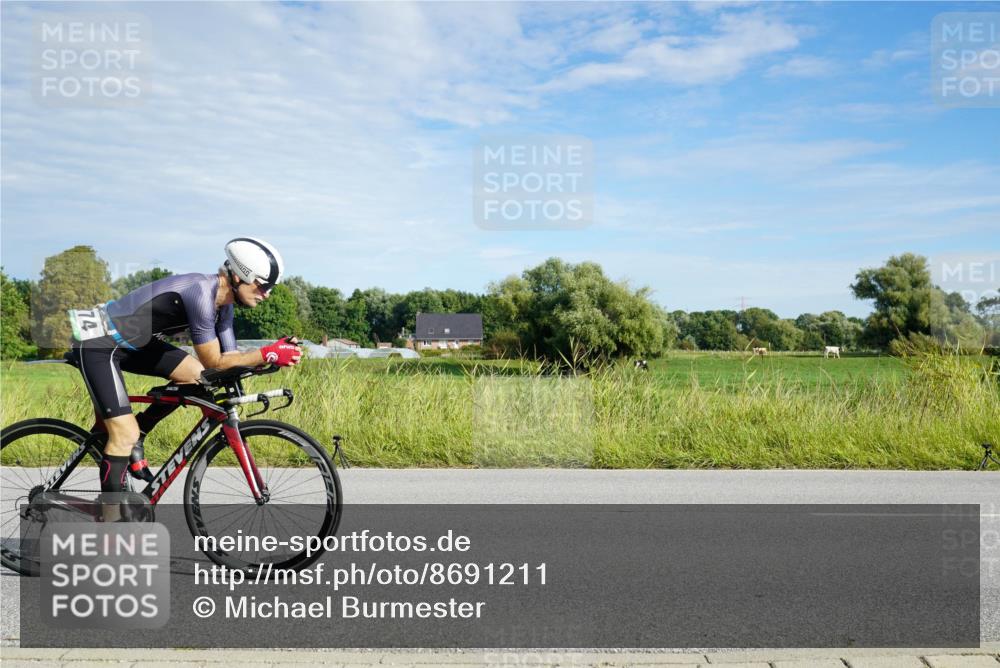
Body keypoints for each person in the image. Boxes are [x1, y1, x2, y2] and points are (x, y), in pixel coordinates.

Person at [68, 237, 302, 501]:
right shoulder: (201, 293)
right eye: (263, 285)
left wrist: (272, 356)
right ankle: (111, 519)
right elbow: (215, 362)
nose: (267, 294)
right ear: (238, 277)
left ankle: (139, 433)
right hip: (98, 342)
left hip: (133, 343)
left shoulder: (225, 307)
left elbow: (231, 360)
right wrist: (266, 352)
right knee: (124, 434)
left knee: (196, 377)